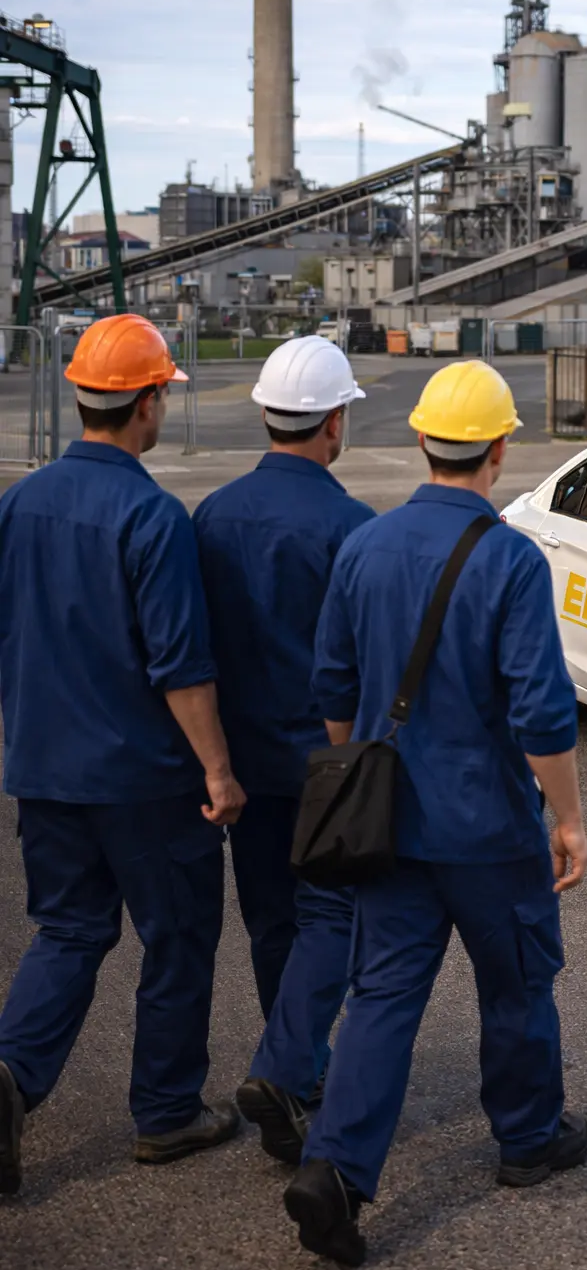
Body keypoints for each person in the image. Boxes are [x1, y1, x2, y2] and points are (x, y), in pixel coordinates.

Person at [281, 359, 587, 1270]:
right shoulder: (508, 558)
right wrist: (567, 820)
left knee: (381, 995)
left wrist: (370, 757)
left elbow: (333, 689)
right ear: (500, 450)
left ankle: (334, 1170)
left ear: (421, 440)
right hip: (490, 828)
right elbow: (541, 714)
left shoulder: (365, 547)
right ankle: (529, 1140)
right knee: (518, 983)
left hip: (389, 827)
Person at [0, 314, 246, 1196]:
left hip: (46, 768)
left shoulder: (20, 502)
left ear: (78, 396)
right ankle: (167, 1111)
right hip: (145, 781)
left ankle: (12, 1079)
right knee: (178, 937)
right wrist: (218, 771)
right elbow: (181, 667)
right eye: (160, 396)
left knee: (68, 930)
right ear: (143, 402)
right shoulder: (152, 516)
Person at [192, 337, 374, 1160]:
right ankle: (292, 1067)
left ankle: (292, 1064)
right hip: (327, 764)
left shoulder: (213, 515)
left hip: (244, 761)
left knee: (270, 920)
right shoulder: (353, 527)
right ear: (333, 422)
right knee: (334, 916)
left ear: (268, 413)